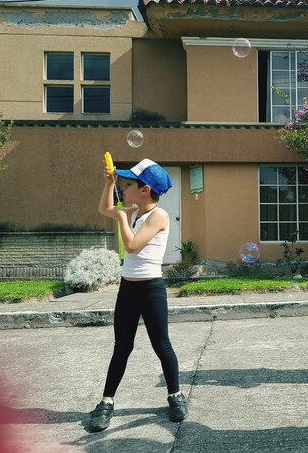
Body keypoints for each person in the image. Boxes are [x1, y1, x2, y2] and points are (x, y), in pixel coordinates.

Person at [89, 158, 188, 433]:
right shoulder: (134, 211)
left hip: (151, 289)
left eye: (127, 184)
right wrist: (109, 185)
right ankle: (106, 402)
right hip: (128, 289)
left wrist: (121, 216)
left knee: (162, 345)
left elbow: (131, 246)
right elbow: (104, 208)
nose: (124, 187)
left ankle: (175, 395)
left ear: (145, 189)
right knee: (122, 346)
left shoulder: (159, 215)